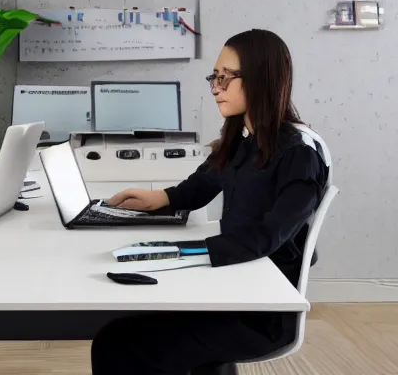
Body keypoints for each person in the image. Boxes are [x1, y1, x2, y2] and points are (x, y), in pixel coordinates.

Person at [91, 29, 329, 375]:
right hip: (233, 286)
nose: (215, 88)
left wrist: (180, 254)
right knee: (122, 333)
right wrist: (160, 198)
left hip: (261, 311)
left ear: (262, 78)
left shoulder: (299, 154)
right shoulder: (242, 139)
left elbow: (268, 236)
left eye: (225, 78)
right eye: (213, 77)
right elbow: (201, 186)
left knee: (117, 343)